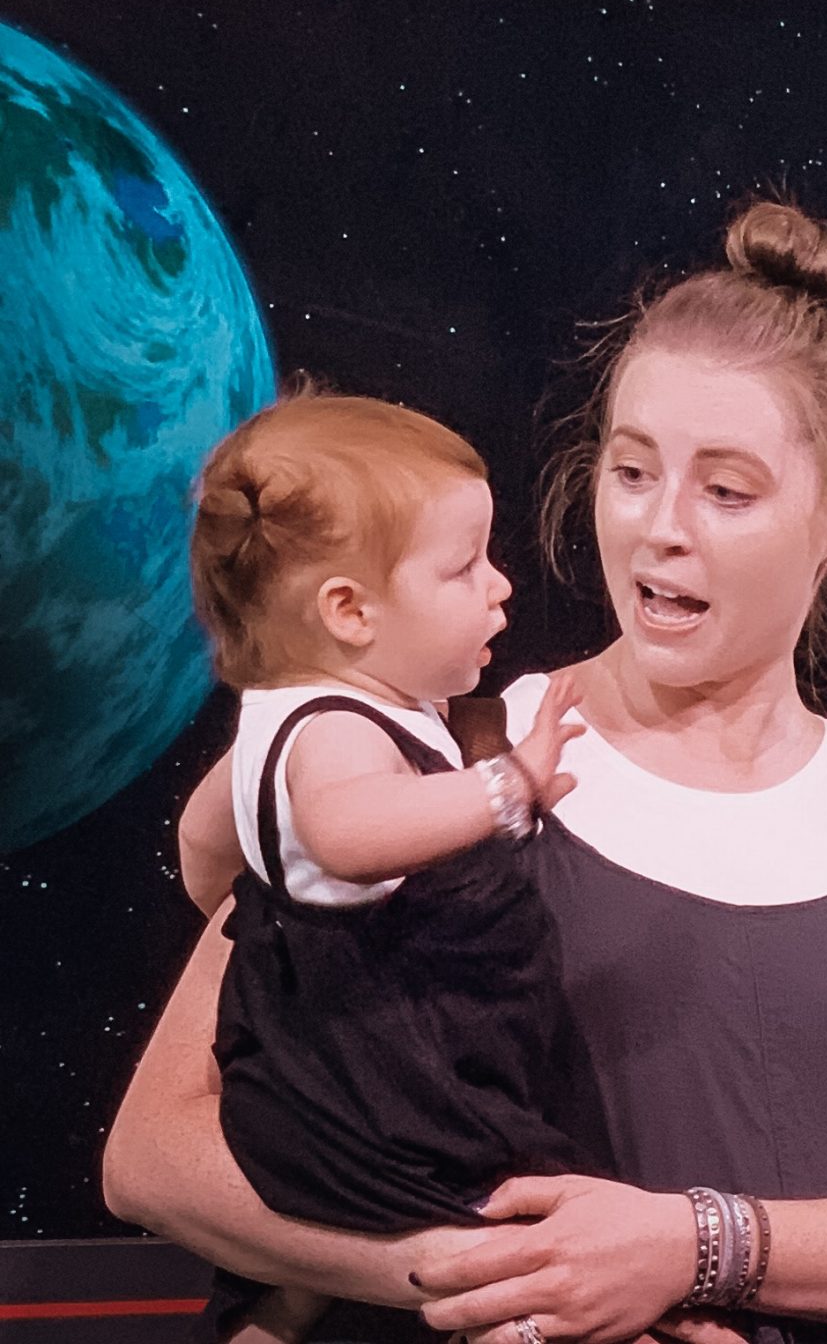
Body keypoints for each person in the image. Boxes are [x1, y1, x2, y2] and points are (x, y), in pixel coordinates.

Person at [108, 201, 827, 1344]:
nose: (661, 528)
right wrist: (505, 1279)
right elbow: (158, 1151)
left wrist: (691, 1246)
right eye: (630, 470)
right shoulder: (425, 765)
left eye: (726, 489)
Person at [174, 393, 591, 1344]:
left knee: (294, 1287)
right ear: (350, 611)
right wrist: (507, 785)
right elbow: (349, 835)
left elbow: (205, 844)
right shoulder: (328, 728)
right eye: (463, 567)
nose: (502, 588)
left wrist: (266, 922)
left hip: (343, 1075)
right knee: (508, 1222)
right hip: (383, 1086)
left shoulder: (289, 716)